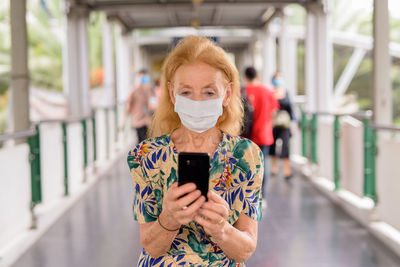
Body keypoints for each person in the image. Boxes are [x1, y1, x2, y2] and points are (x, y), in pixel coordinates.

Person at [127, 36, 264, 266]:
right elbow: (150, 246)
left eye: (209, 92)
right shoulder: (146, 156)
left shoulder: (246, 156)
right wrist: (168, 219)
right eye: (186, 92)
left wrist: (221, 229)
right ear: (172, 94)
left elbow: (246, 249)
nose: (197, 101)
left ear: (227, 94)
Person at [244, 67, 279, 201]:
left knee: (247, 165)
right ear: (257, 75)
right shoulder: (267, 91)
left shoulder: (242, 91)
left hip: (247, 135)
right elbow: (274, 112)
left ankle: (247, 196)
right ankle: (261, 197)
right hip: (264, 134)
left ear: (246, 77)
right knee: (262, 165)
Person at [269, 72, 296, 180]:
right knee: (273, 146)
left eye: (280, 78)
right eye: (277, 78)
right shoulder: (270, 93)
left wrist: (295, 121)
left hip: (284, 124)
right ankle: (274, 168)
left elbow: (290, 108)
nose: (278, 81)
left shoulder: (286, 93)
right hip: (273, 124)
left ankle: (287, 170)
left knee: (285, 146)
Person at [121, 69, 152, 143]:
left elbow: (151, 105)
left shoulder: (148, 90)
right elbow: (128, 107)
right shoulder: (133, 91)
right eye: (142, 77)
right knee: (142, 144)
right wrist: (123, 122)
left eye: (145, 77)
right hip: (138, 121)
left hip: (148, 122)